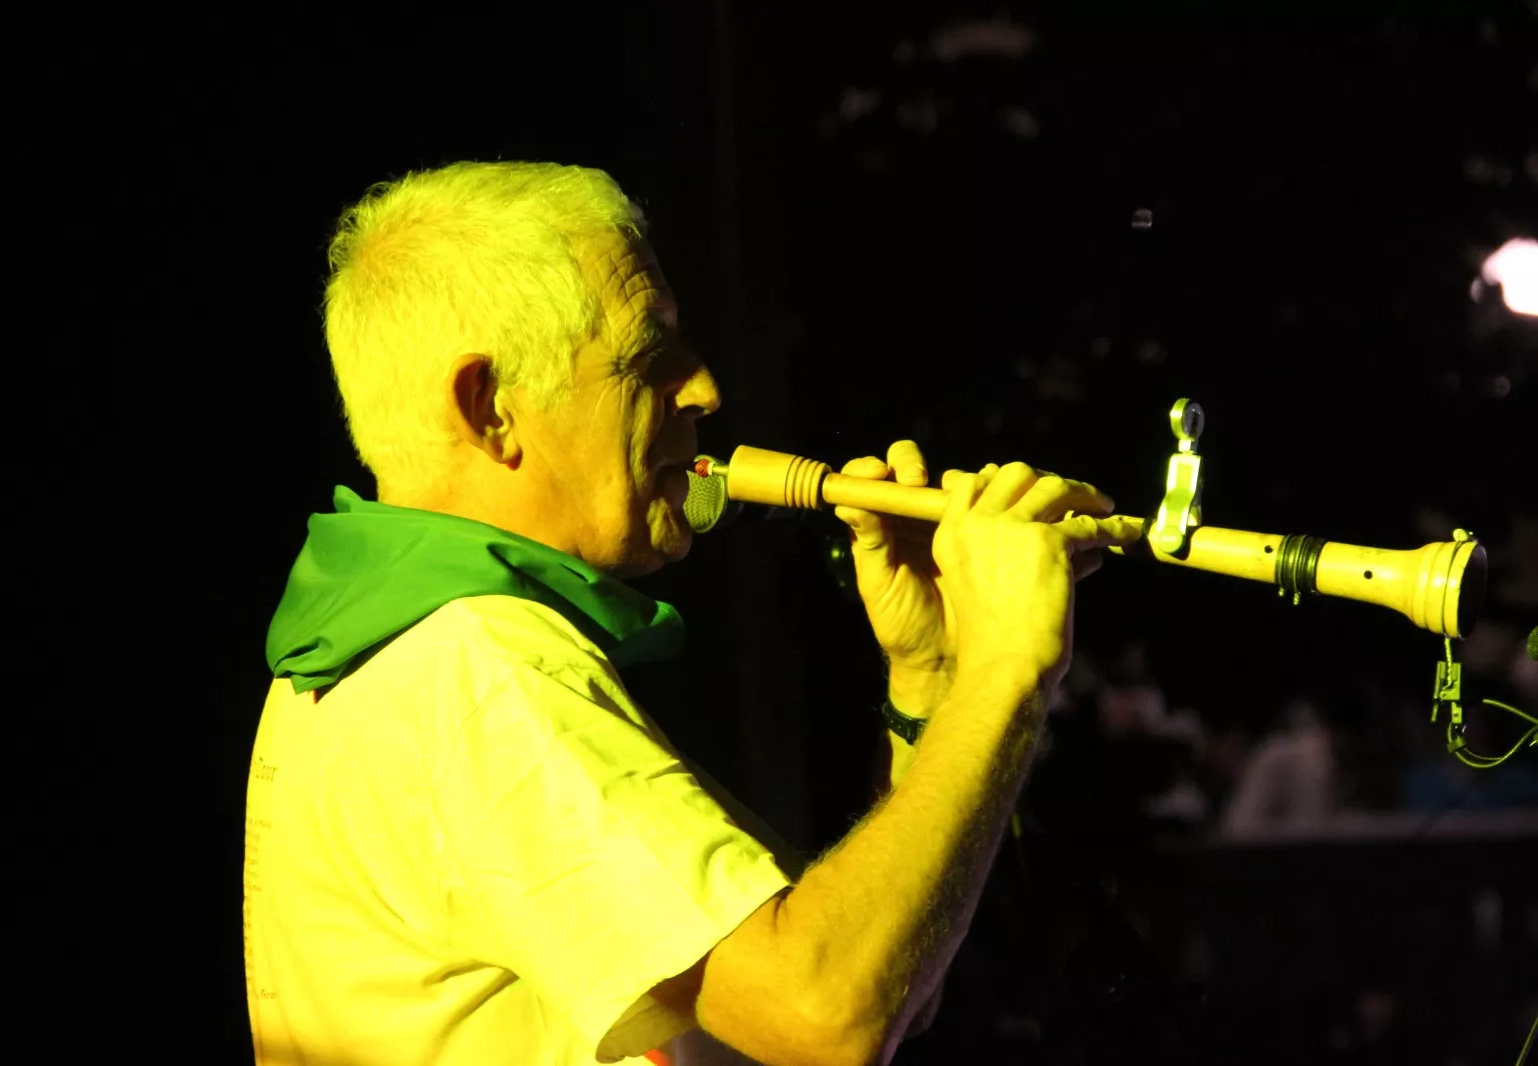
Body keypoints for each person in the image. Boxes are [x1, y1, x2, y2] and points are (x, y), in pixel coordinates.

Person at [244, 160, 1141, 1065]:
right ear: (491, 409)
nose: (704, 389)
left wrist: (932, 677)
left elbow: (882, 971)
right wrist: (1007, 667)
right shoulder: (481, 676)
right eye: (647, 353)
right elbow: (828, 1014)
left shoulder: (382, 649)